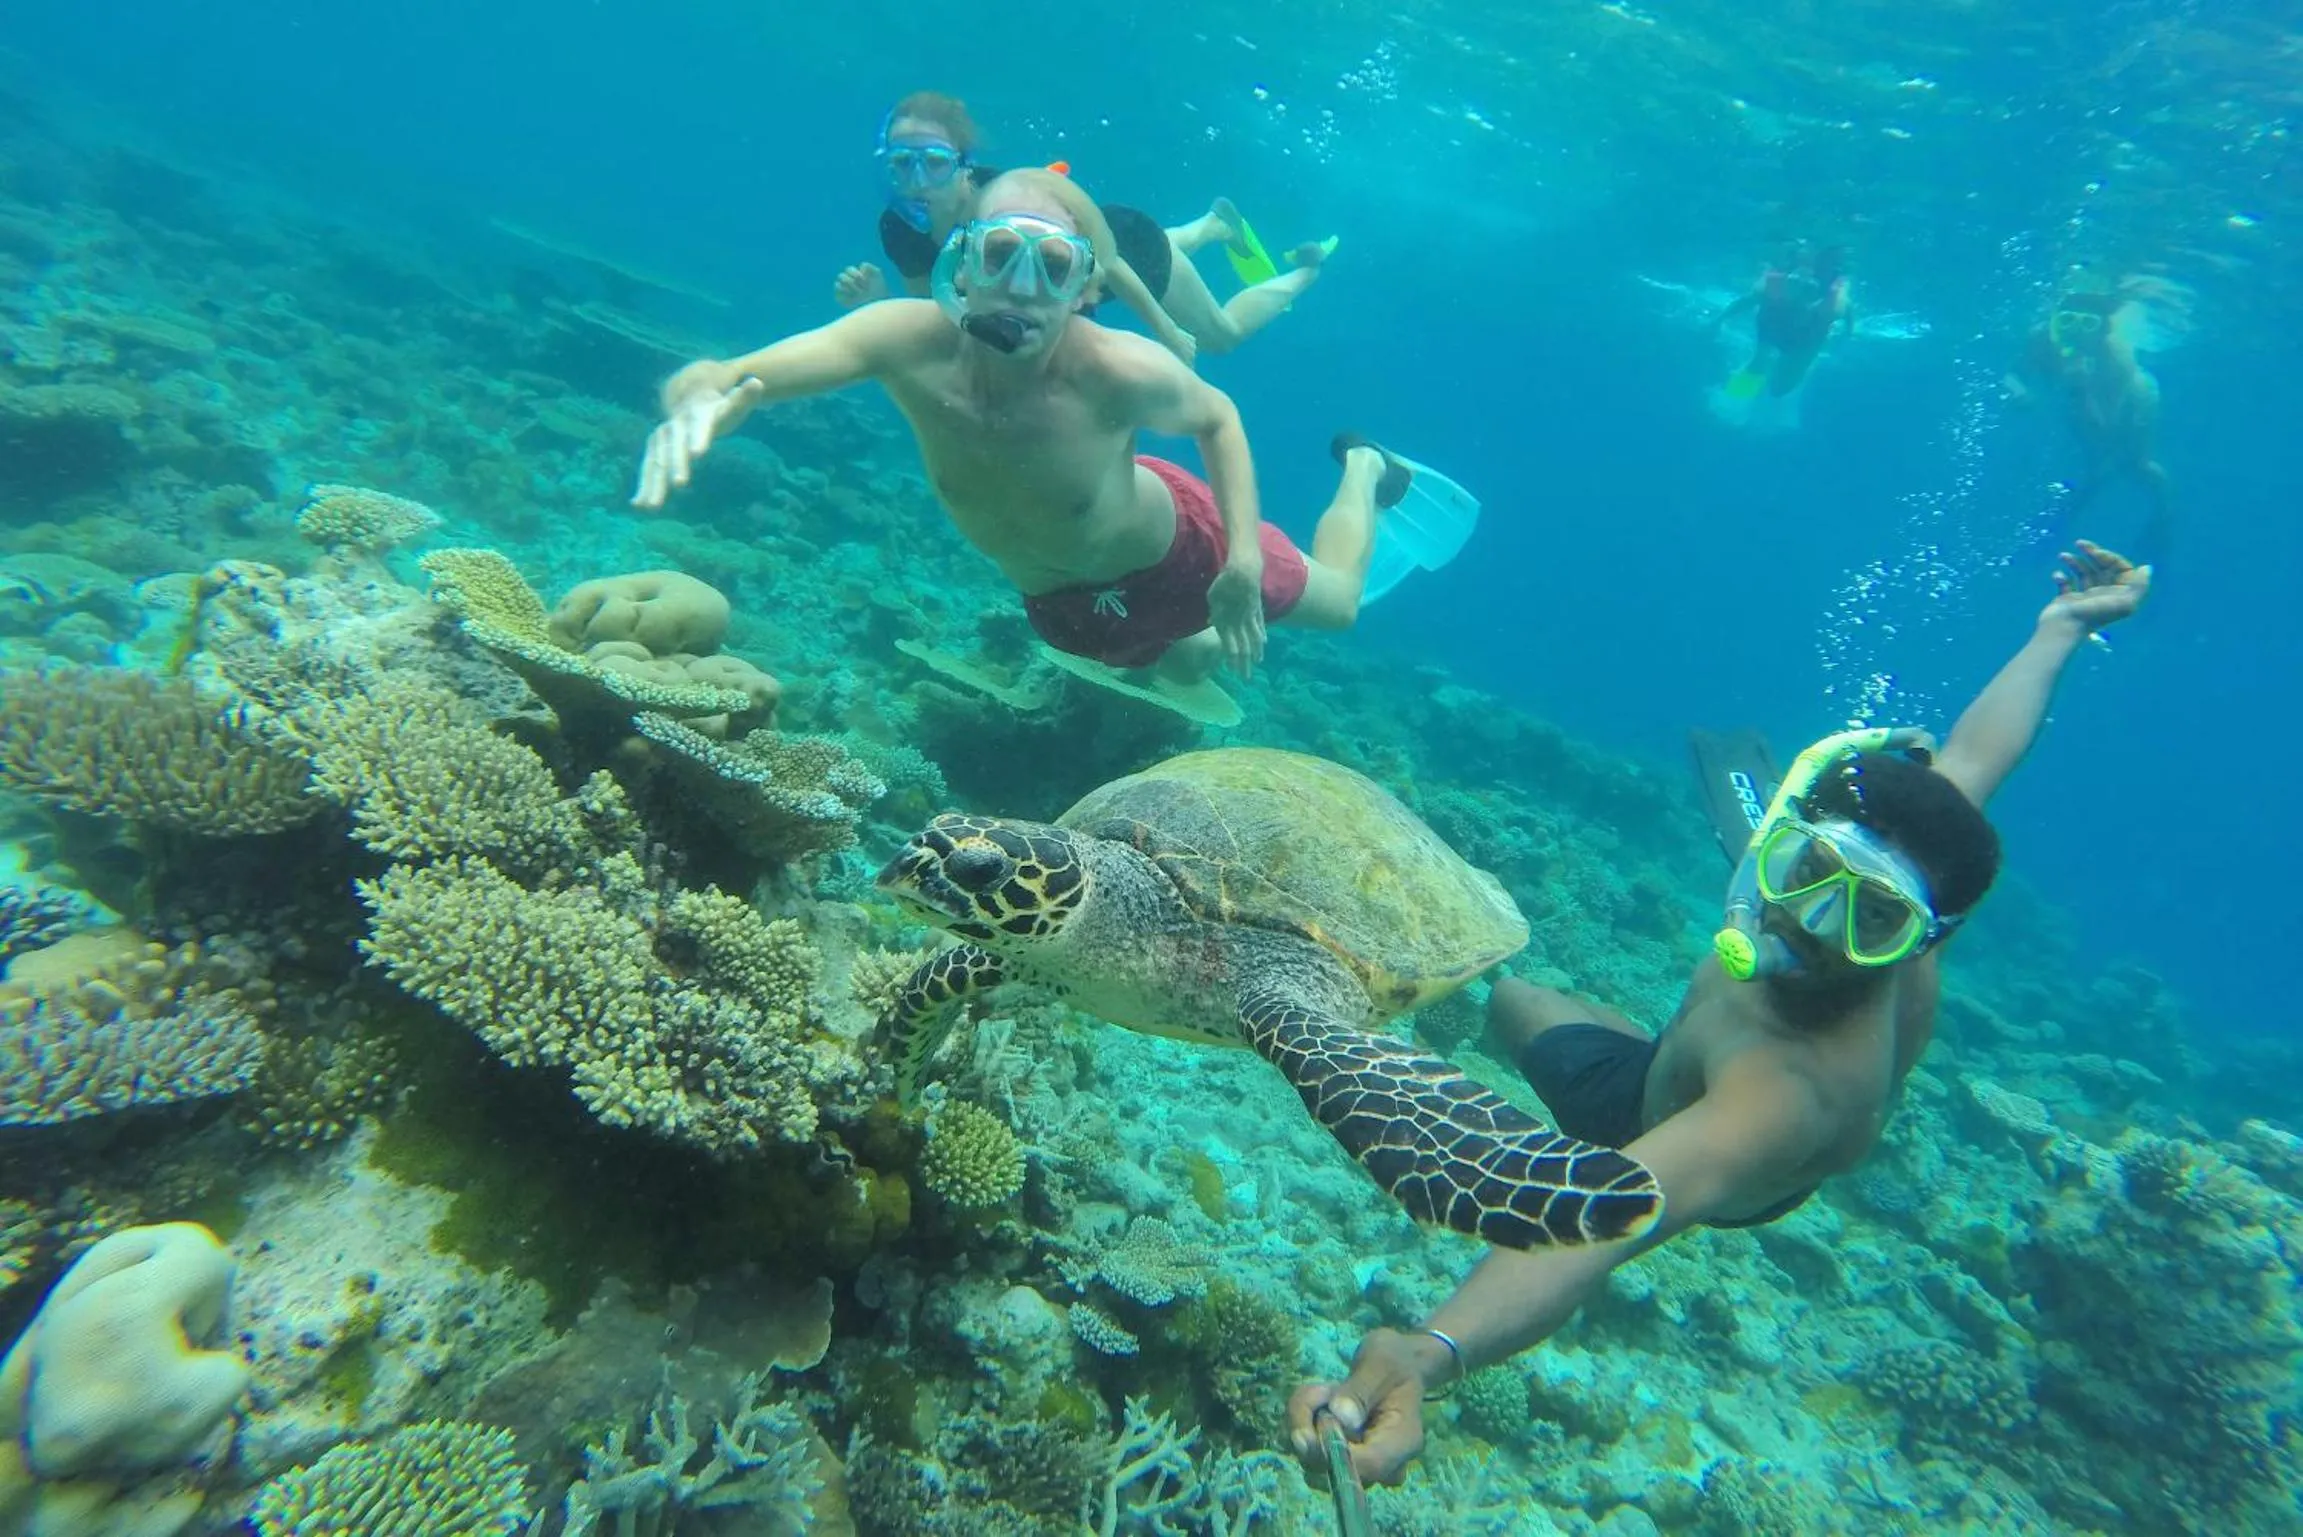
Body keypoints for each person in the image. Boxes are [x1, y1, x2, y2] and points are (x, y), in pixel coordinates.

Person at [1287, 539, 2153, 1486]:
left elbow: (1599, 1223)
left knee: (1525, 1015)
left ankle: (1644, 1075)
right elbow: (1982, 751)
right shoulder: (1922, 847)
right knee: (1526, 999)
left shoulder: (1787, 1091)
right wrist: (2058, 629)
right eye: (1807, 874)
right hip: (1673, 1063)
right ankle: (1651, 1047)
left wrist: (1429, 1351)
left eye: (1874, 919)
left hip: (1662, 1130)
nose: (1815, 927)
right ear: (1781, 844)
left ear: (1922, 936)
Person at [635, 167, 1407, 685]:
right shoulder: (901, 342)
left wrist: (1240, 562)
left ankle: (1365, 466)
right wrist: (705, 393)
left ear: (1083, 289)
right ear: (961, 266)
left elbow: (1219, 416)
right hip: (1063, 610)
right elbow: (729, 373)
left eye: (1055, 266)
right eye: (1003, 255)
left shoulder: (1116, 368)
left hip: (1183, 555)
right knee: (1174, 665)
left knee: (1338, 604)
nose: (1024, 288)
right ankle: (1181, 638)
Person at [830, 91, 1332, 364]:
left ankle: (1307, 271)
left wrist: (1169, 332)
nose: (916, 181)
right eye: (902, 165)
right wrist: (878, 305)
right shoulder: (898, 228)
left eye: (934, 163)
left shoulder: (1005, 200)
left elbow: (1108, 261)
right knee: (1161, 254)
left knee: (1222, 335)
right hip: (1071, 274)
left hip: (1124, 251)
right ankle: (1211, 226)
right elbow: (937, 314)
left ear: (964, 164)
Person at [2003, 273, 2177, 565]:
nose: (2076, 332)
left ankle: (2164, 516)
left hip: (2135, 396)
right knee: (2095, 462)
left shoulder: (2115, 356)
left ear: (2102, 330)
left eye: (2088, 323)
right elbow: (2014, 373)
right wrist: (2019, 393)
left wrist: (2081, 390)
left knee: (2134, 463)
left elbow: (2104, 422)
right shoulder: (2041, 338)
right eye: (2067, 320)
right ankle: (2077, 502)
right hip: (2080, 393)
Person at [1713, 241, 1853, 398]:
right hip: (1774, 326)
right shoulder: (1775, 289)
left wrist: (1849, 333)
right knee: (1758, 364)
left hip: (1807, 338)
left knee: (1780, 389)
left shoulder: (1831, 305)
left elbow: (1847, 312)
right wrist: (1718, 320)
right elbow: (1746, 301)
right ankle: (1736, 398)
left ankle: (1769, 401)